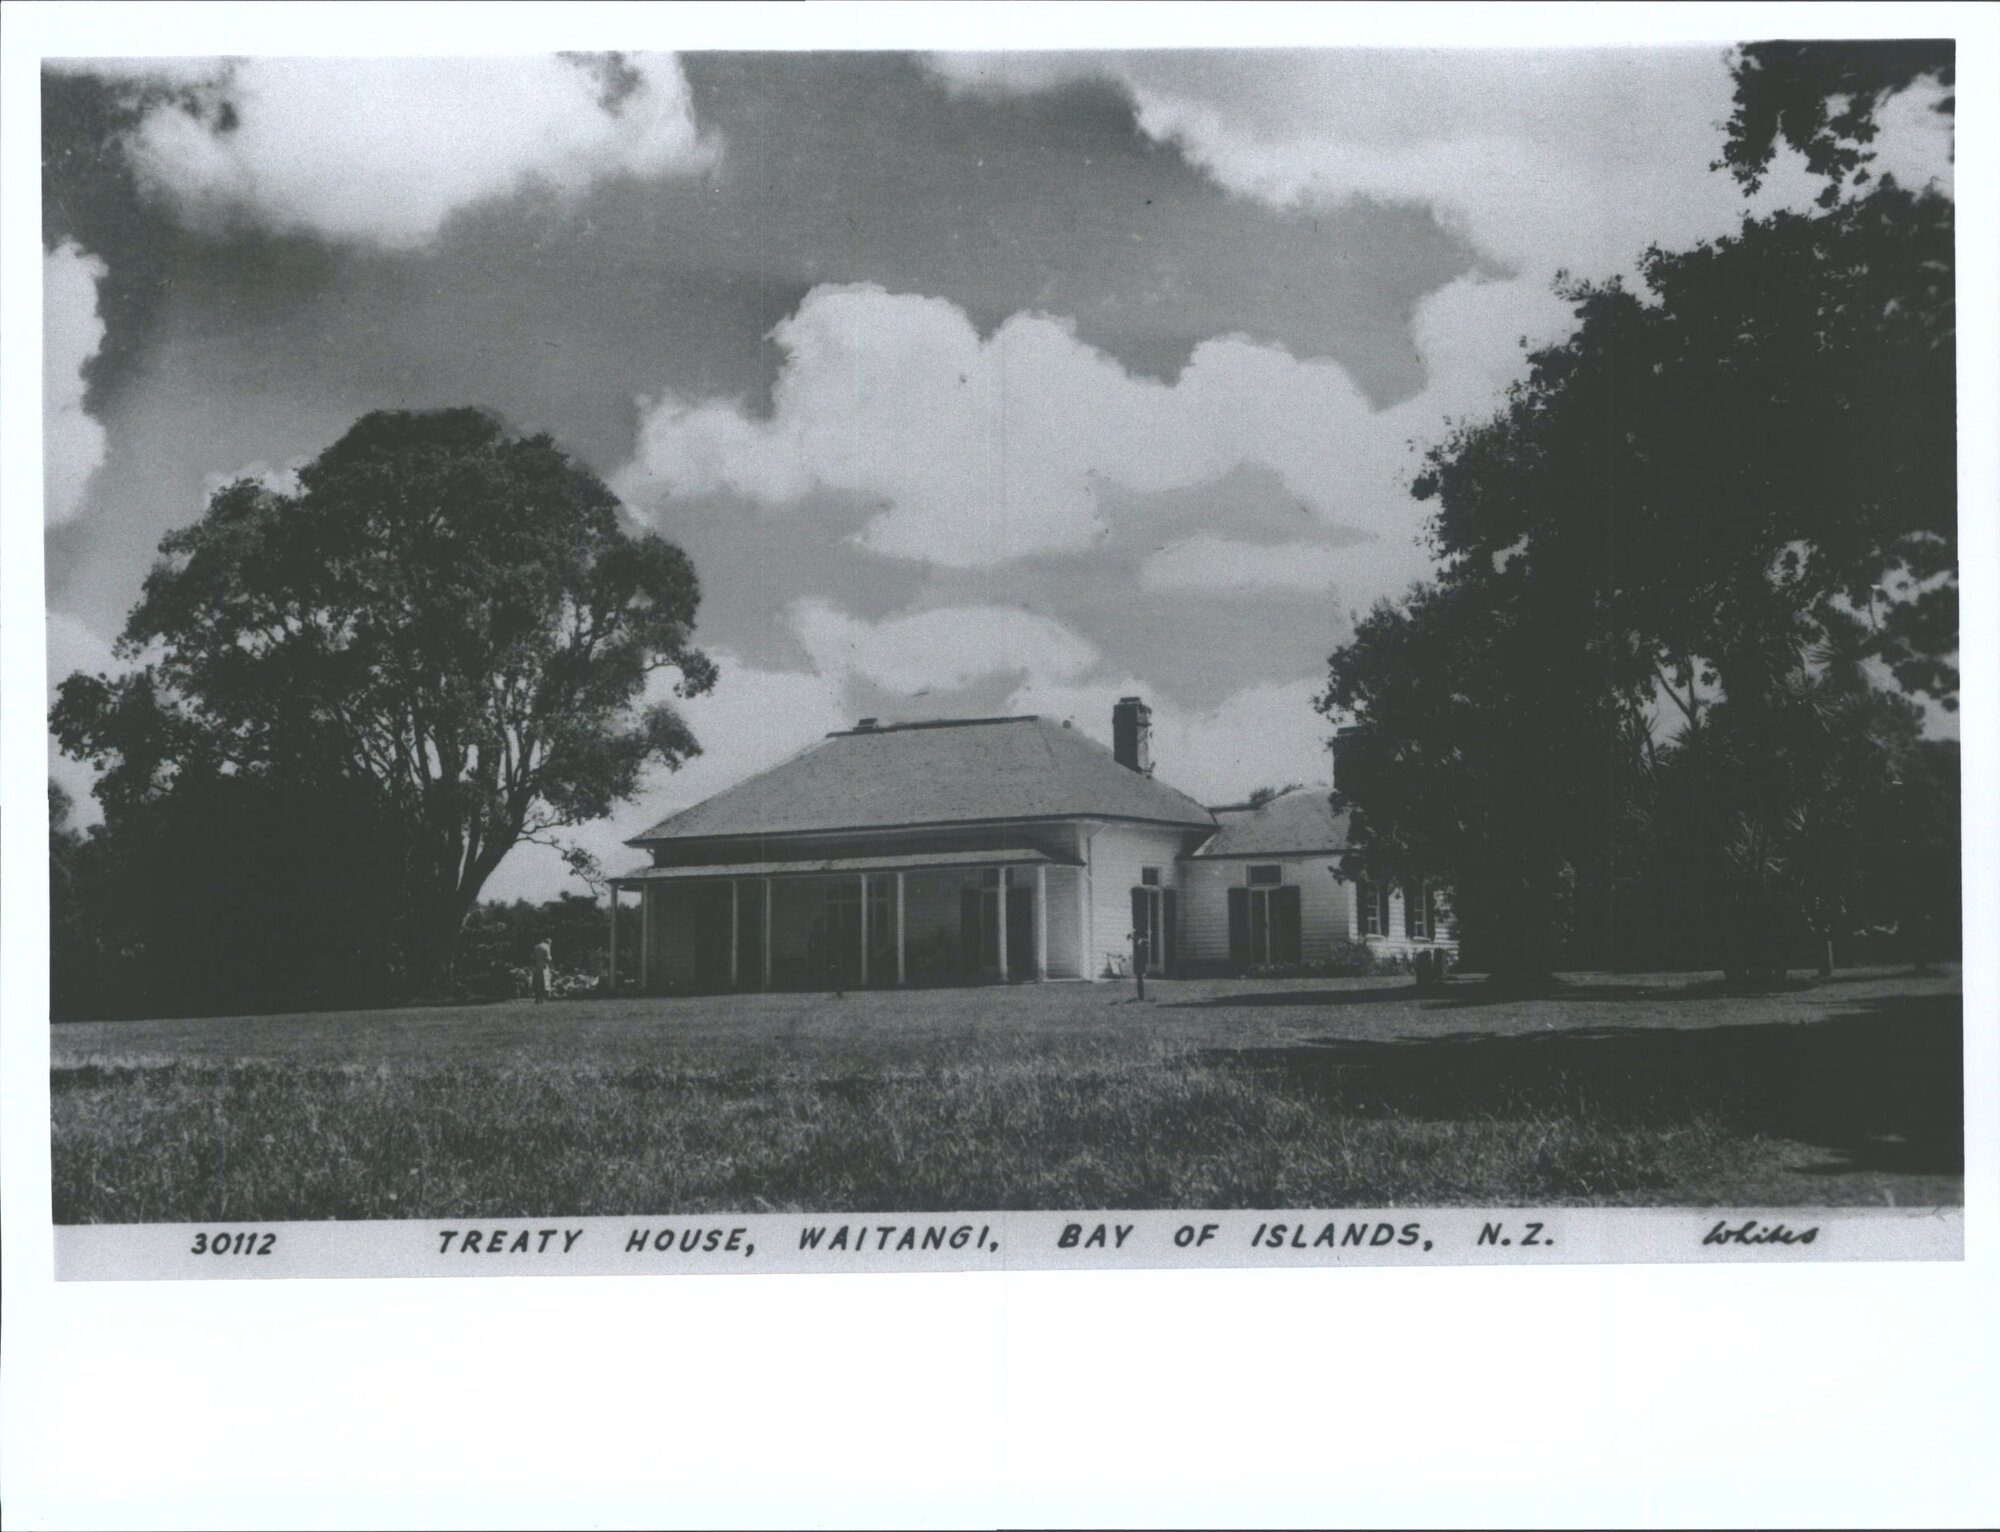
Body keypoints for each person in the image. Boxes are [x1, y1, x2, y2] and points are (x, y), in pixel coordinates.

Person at [531, 938, 554, 1004]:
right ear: (549, 943)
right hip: (544, 966)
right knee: (544, 983)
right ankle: (541, 999)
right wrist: (550, 958)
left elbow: (533, 957)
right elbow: (548, 958)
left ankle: (536, 999)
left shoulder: (536, 947)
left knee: (537, 982)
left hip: (537, 966)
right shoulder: (547, 947)